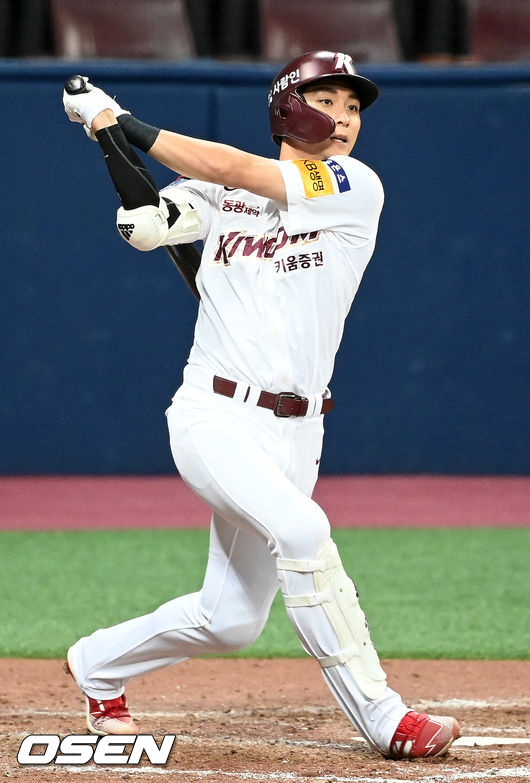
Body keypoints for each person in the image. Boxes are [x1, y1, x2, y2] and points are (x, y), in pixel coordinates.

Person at [62, 50, 460, 760]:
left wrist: (116, 119)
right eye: (331, 101)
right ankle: (384, 716)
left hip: (298, 430)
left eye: (355, 108)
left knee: (231, 620)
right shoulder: (216, 196)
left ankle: (98, 663)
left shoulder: (351, 185)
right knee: (303, 531)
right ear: (289, 105)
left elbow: (238, 170)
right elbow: (160, 220)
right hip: (213, 415)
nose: (346, 120)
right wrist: (141, 200)